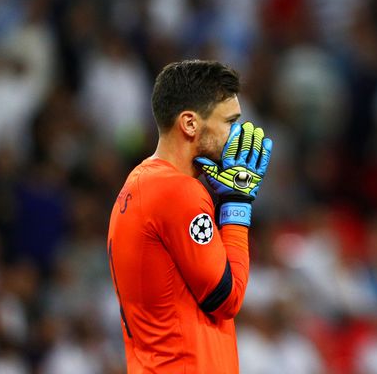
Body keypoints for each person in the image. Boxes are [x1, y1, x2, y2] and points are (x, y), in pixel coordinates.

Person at [106, 60, 273, 373]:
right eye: (230, 122)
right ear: (190, 124)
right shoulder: (178, 191)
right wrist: (238, 203)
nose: (238, 134)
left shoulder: (140, 182)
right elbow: (226, 298)